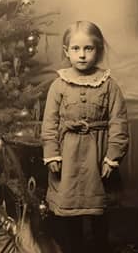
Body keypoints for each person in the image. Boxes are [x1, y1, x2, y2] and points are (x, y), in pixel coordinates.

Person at [41, 21, 129, 253]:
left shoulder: (109, 85)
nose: (82, 55)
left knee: (98, 214)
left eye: (88, 48)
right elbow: (49, 124)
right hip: (68, 158)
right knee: (70, 216)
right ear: (66, 51)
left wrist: (112, 157)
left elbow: (119, 122)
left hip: (98, 157)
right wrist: (52, 155)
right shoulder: (58, 85)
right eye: (76, 49)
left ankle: (100, 248)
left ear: (98, 51)